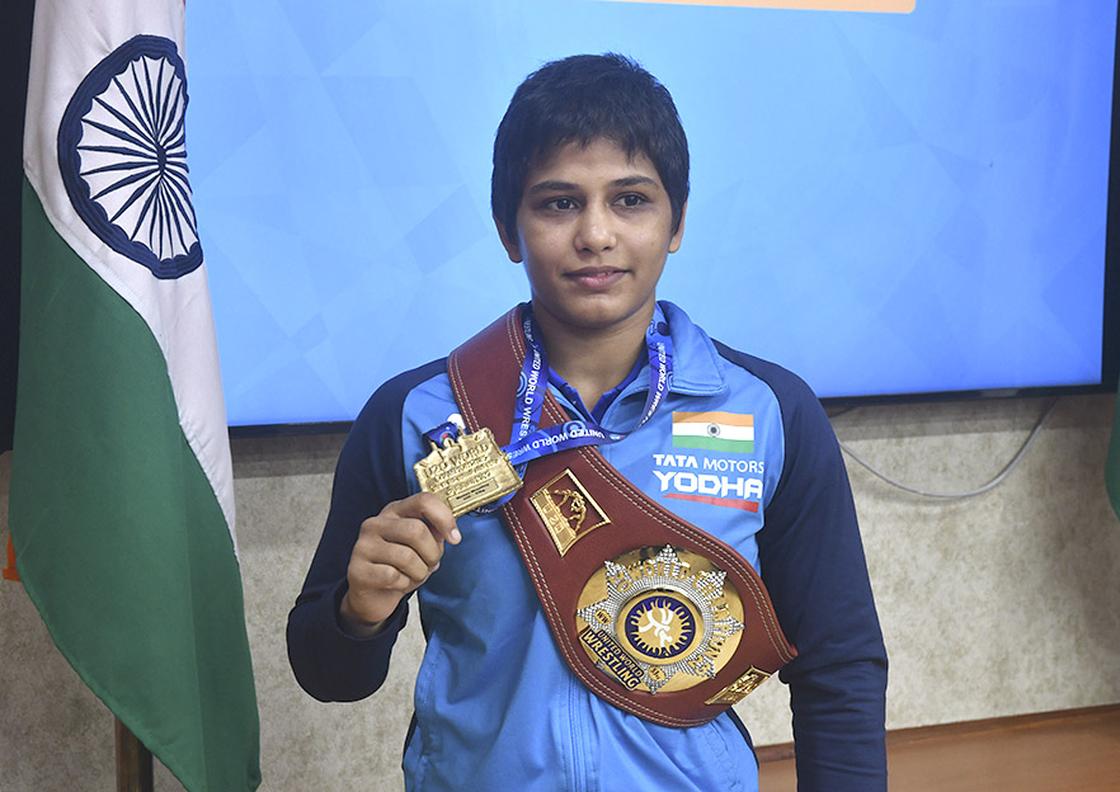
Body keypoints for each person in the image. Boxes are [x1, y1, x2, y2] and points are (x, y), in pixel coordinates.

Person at [287, 53, 887, 791]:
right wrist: (360, 611)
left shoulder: (771, 411)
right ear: (510, 230)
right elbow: (327, 675)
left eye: (631, 200)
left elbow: (840, 664)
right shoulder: (414, 415)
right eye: (558, 203)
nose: (596, 234)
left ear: (677, 223)